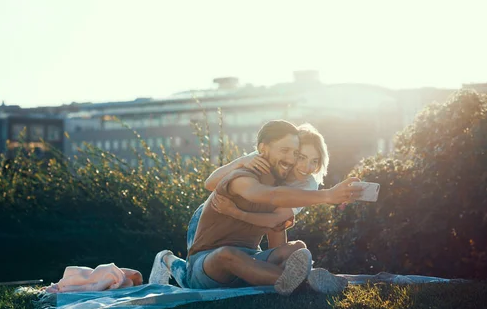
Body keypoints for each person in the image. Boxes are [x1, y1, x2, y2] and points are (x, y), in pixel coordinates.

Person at [150, 120, 362, 295]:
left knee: (297, 247)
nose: (291, 160)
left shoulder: (292, 182)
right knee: (225, 255)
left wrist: (281, 253)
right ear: (262, 150)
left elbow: (275, 222)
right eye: (285, 151)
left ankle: (281, 276)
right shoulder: (242, 176)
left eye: (294, 153)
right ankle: (305, 283)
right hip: (207, 260)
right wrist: (327, 195)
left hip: (248, 253)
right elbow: (267, 196)